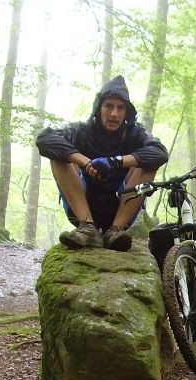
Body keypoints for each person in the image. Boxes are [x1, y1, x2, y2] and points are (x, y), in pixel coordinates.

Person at [36, 75, 169, 251]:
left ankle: (115, 230)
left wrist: (115, 162)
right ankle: (88, 229)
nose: (114, 114)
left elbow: (160, 152)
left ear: (126, 112)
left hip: (119, 209)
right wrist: (85, 162)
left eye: (120, 108)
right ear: (99, 108)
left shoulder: (134, 134)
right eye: (109, 106)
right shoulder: (82, 131)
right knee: (59, 156)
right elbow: (45, 139)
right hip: (83, 208)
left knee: (149, 162)